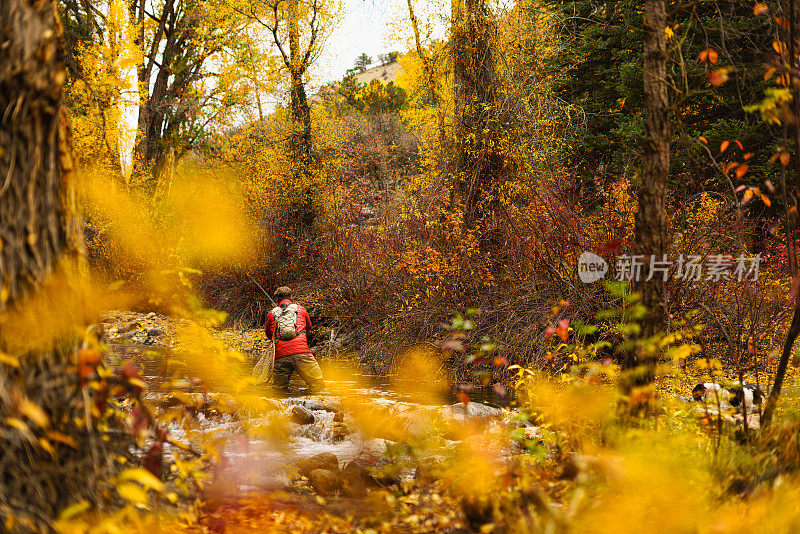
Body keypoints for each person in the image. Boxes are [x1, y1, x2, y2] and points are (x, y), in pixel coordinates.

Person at [265, 286, 324, 393]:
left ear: (277, 299)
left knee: (278, 391)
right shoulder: (301, 309)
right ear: (291, 297)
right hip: (302, 353)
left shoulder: (271, 314)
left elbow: (269, 335)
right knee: (317, 386)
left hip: (281, 356)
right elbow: (309, 327)